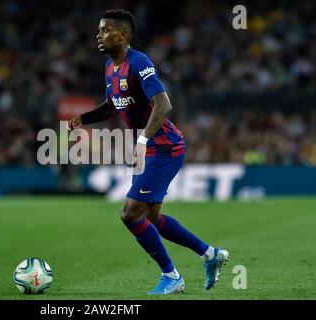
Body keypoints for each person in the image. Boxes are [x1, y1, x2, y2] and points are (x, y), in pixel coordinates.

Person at [68, 9, 229, 294]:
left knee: (129, 214)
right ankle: (210, 254)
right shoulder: (110, 67)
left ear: (123, 35)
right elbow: (111, 104)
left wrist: (142, 141)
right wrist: (84, 118)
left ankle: (172, 276)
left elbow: (164, 105)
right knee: (152, 219)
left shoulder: (139, 62)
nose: (98, 35)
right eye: (98, 29)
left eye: (105, 30)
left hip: (164, 148)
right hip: (151, 148)